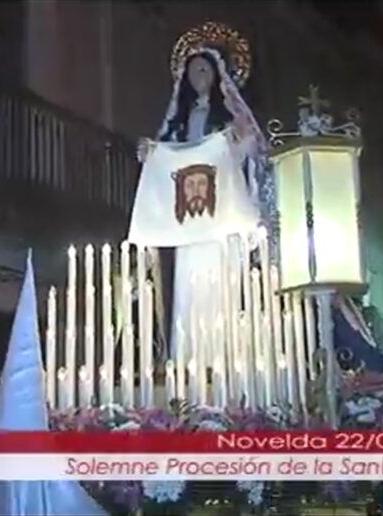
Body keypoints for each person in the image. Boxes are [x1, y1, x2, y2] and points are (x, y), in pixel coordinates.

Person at [131, 22, 276, 360]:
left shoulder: (227, 119)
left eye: (204, 69)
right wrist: (149, 154)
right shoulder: (179, 124)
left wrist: (243, 139)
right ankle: (189, 359)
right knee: (188, 288)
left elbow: (246, 155)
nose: (198, 75)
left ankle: (225, 358)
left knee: (222, 288)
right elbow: (167, 161)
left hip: (222, 219)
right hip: (190, 223)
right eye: (193, 70)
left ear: (217, 74)